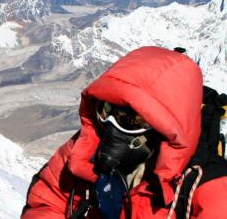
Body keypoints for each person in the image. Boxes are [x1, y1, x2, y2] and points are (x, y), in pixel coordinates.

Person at [22, 46, 227, 218]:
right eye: (106, 111)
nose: (112, 127)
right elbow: (47, 202)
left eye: (132, 119)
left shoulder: (211, 188)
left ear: (165, 128)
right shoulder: (85, 151)